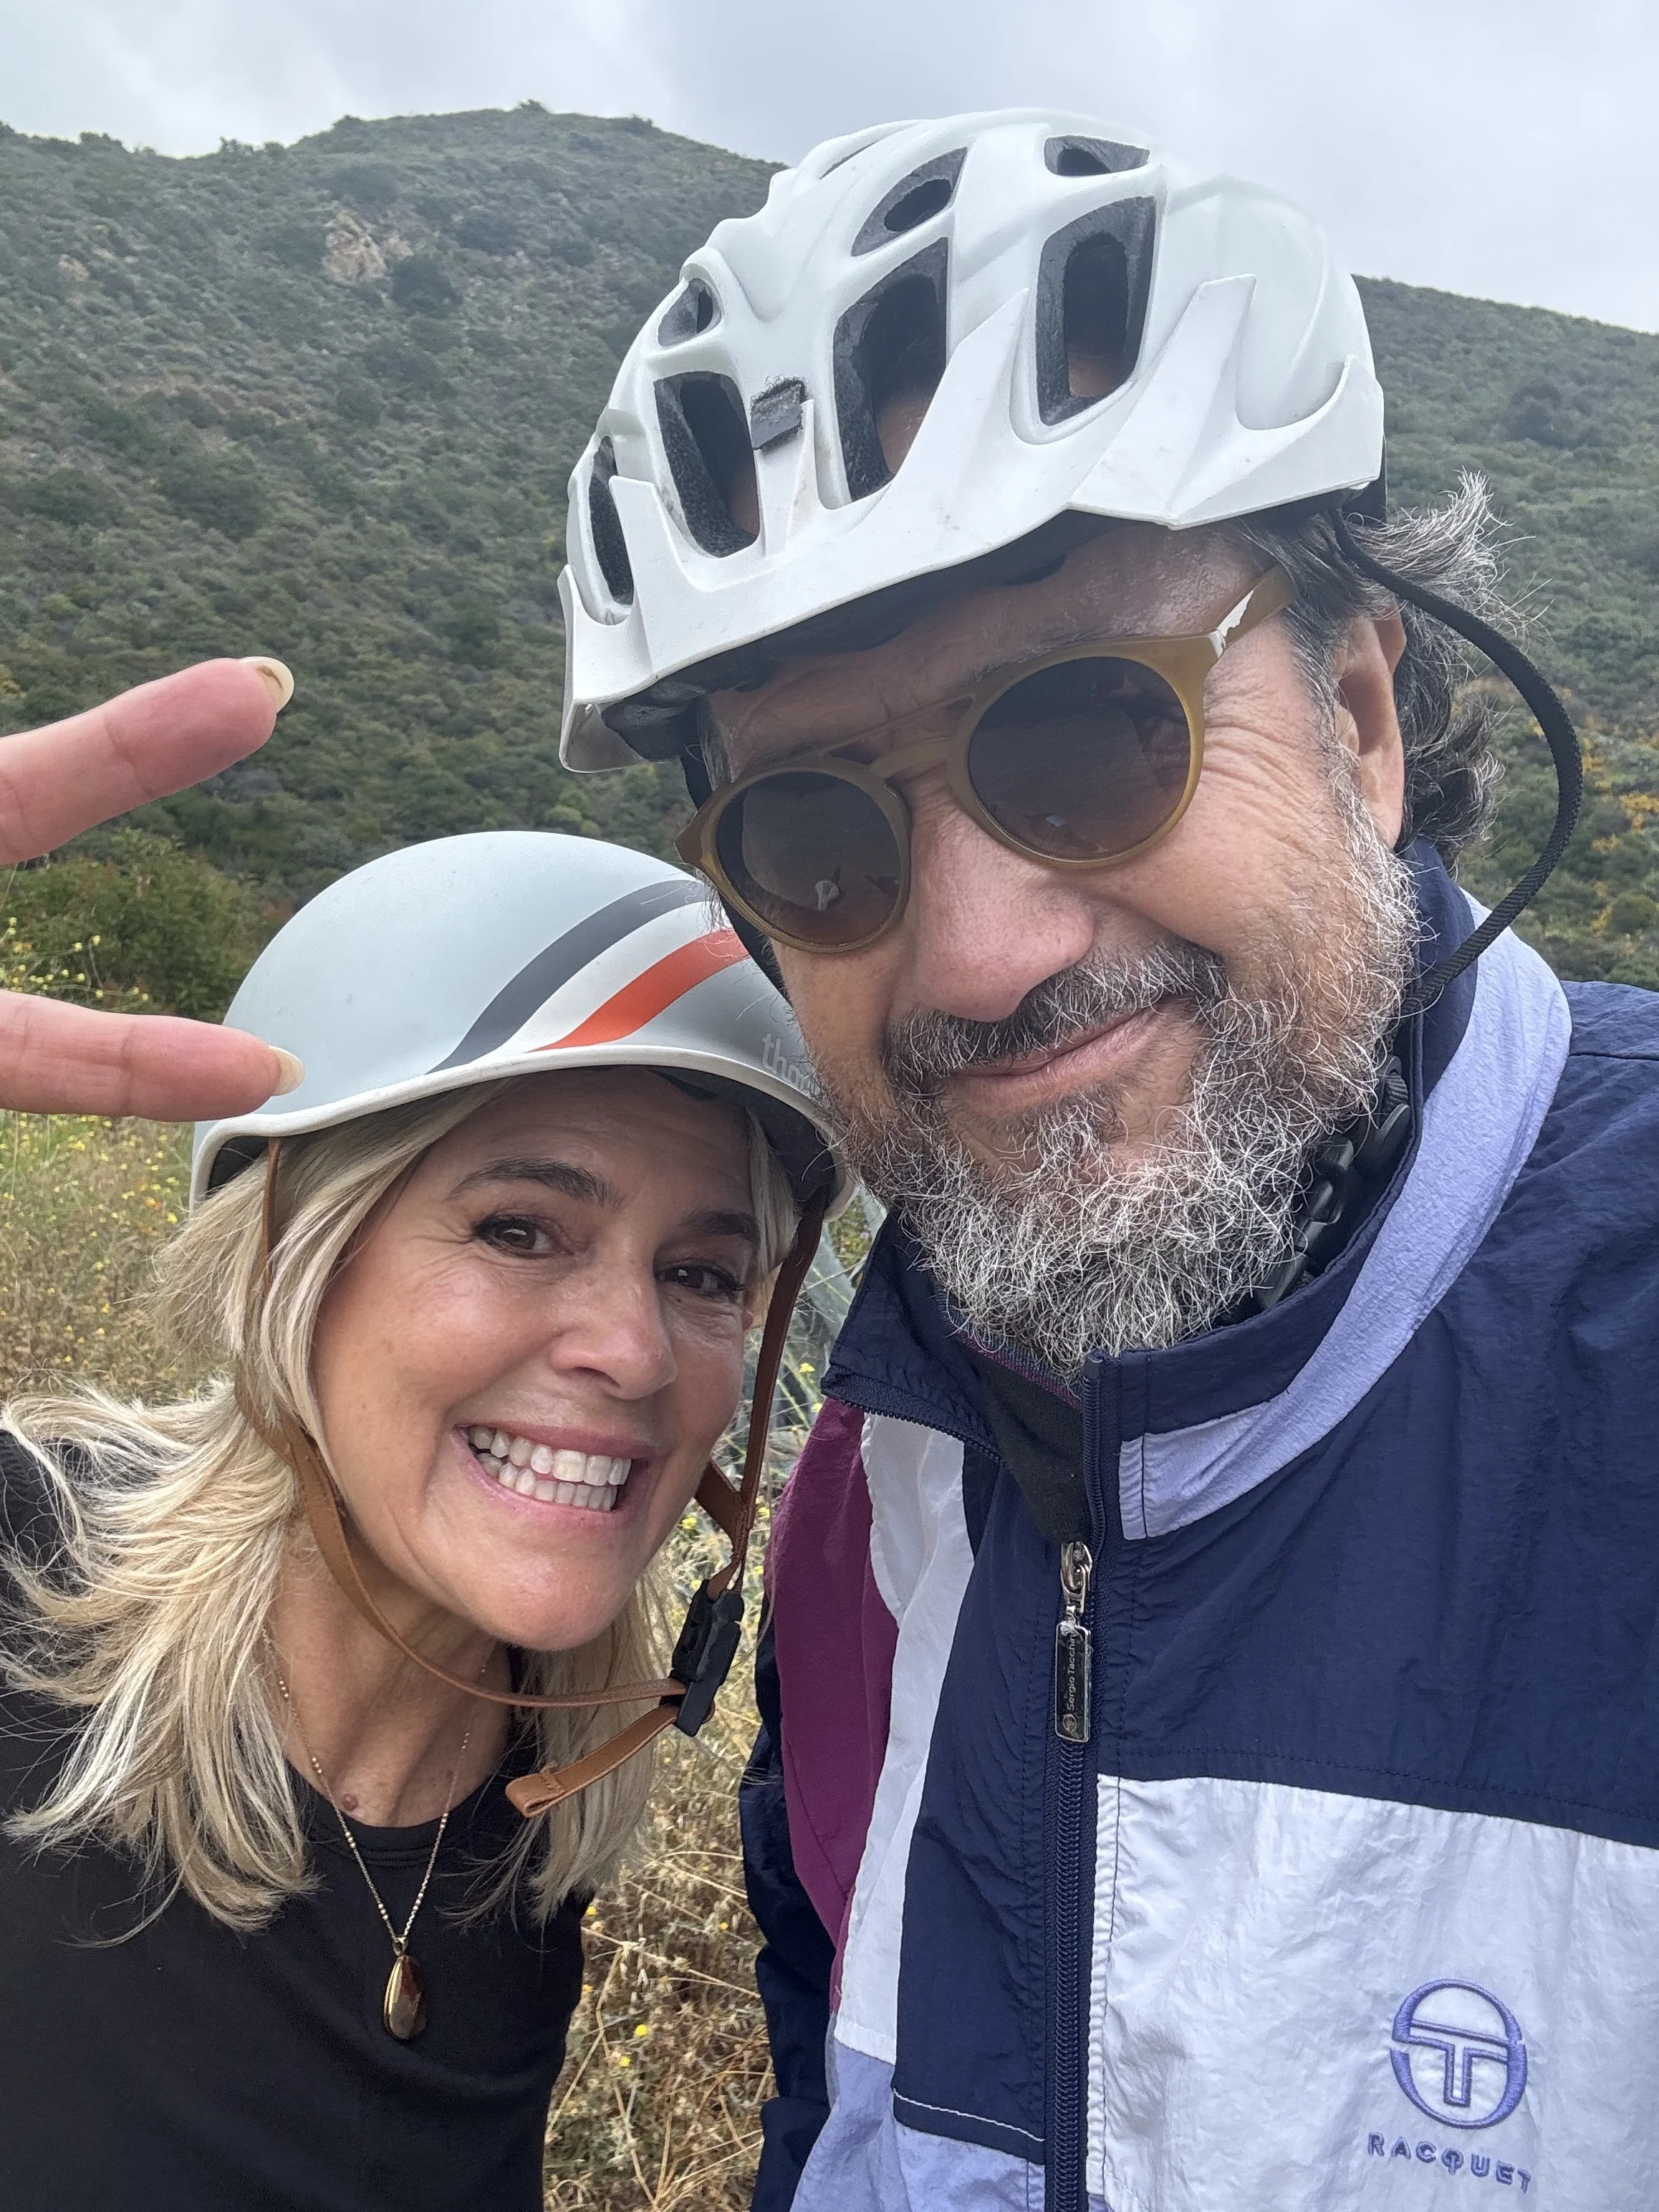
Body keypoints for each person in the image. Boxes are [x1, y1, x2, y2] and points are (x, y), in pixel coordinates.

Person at [557, 110, 1659, 2210]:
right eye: (817, 835)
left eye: (1081, 733)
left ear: (1356, 714)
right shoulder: (877, 1471)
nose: (976, 951)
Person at [0, 660, 842, 2211]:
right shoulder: (22, 1570)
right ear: (289, 1264)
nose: (634, 1345)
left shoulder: (530, 1831)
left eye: (707, 1270)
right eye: (521, 1226)